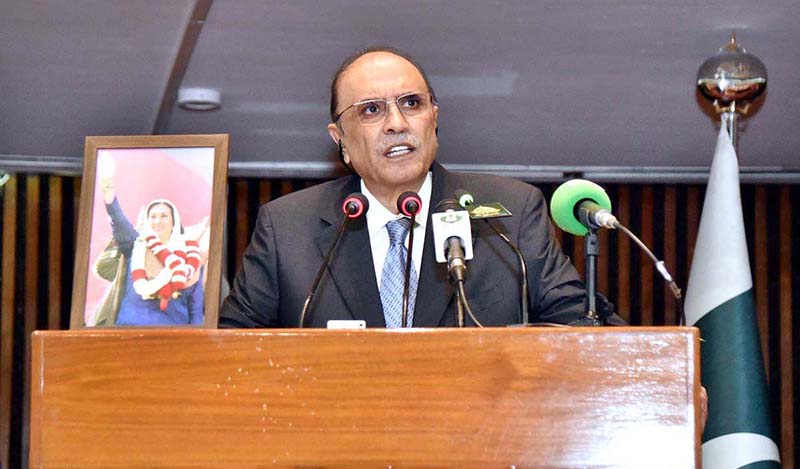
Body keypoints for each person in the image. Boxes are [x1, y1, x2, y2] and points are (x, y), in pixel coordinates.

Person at [219, 47, 620, 328]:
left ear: (434, 118)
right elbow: (228, 350)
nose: (397, 123)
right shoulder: (287, 229)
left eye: (412, 103)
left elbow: (581, 323)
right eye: (371, 110)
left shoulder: (509, 213)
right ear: (339, 136)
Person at [92, 166, 208, 326]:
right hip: (126, 334)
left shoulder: (191, 256)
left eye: (163, 216)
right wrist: (109, 194)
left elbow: (195, 309)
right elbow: (118, 220)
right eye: (152, 216)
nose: (157, 221)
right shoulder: (135, 244)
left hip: (173, 340)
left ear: (174, 221)